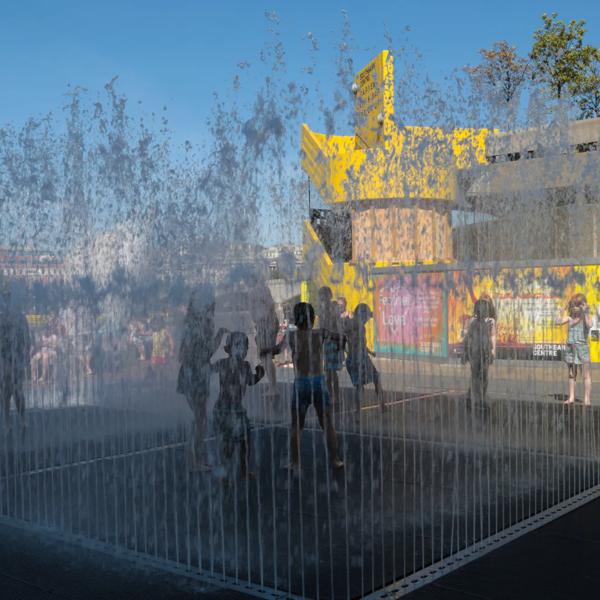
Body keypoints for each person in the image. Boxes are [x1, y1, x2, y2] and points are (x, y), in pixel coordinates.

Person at [268, 302, 343, 472]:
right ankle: (335, 459)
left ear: (295, 319)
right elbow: (340, 337)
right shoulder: (320, 333)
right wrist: (341, 344)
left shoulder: (291, 336)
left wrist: (267, 350)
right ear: (313, 318)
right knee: (327, 425)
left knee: (296, 427)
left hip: (301, 383)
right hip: (318, 382)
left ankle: (295, 463)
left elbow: (277, 350)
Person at [177, 286, 228, 470]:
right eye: (211, 304)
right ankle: (195, 460)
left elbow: (201, 354)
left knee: (200, 418)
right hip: (195, 376)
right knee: (200, 419)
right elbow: (191, 354)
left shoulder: (195, 324)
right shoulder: (199, 325)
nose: (214, 308)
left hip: (195, 374)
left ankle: (195, 457)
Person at [211, 331, 264, 479]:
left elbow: (251, 381)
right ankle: (226, 472)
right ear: (228, 349)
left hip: (236, 410)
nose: (242, 350)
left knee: (244, 440)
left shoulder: (245, 366)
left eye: (244, 347)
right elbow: (208, 369)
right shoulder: (223, 364)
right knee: (229, 443)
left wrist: (260, 373)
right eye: (238, 346)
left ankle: (241, 470)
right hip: (224, 409)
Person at [0, 282, 31, 431]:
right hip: (4, 359)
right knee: (5, 392)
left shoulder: (21, 318)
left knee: (18, 391)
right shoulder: (2, 318)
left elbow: (27, 339)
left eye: (8, 298)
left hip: (17, 359)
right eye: (5, 299)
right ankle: (7, 422)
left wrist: (26, 358)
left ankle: (23, 419)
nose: (7, 302)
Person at [345, 303, 384, 415]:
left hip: (361, 358)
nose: (367, 319)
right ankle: (361, 410)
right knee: (362, 385)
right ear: (362, 315)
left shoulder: (360, 326)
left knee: (365, 383)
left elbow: (359, 343)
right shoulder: (355, 324)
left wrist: (369, 351)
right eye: (367, 316)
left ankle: (380, 405)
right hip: (357, 359)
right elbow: (349, 336)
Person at [556, 293, 592, 406]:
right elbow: (557, 322)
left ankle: (587, 399)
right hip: (571, 348)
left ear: (583, 306)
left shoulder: (585, 318)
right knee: (572, 374)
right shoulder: (570, 318)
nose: (575, 308)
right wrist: (562, 311)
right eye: (573, 305)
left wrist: (585, 313)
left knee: (585, 375)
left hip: (582, 349)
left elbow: (590, 325)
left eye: (578, 305)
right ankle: (571, 397)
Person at [463, 295, 496, 409]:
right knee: (476, 376)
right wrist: (465, 353)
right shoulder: (473, 322)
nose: (485, 310)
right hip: (475, 354)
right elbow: (468, 338)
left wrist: (492, 352)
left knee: (483, 376)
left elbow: (491, 338)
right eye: (482, 308)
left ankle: (476, 397)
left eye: (486, 307)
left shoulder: (489, 322)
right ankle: (478, 400)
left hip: (485, 353)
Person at [249, 279, 279, 396]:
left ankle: (273, 387)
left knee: (265, 356)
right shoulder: (264, 289)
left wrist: (259, 322)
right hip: (269, 323)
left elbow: (253, 313)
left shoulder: (253, 291)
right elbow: (271, 305)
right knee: (266, 356)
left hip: (264, 324)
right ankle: (273, 385)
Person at [317, 286, 344, 415]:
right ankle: (330, 396)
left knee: (332, 373)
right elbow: (321, 327)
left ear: (329, 295)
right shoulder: (321, 309)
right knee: (327, 372)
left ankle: (336, 397)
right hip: (326, 343)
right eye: (321, 295)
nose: (322, 298)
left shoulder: (333, 308)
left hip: (333, 342)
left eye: (324, 295)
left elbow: (338, 325)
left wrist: (340, 341)